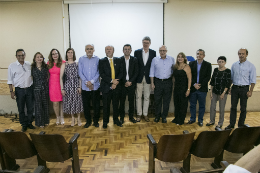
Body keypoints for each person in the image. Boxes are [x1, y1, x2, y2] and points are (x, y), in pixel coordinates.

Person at [225, 48, 256, 130]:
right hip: (235, 88)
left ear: (246, 54)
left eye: (243, 54)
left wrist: (251, 91)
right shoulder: (234, 65)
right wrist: (229, 88)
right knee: (233, 107)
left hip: (244, 89)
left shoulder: (251, 66)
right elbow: (231, 78)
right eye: (239, 53)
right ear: (238, 54)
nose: (241, 55)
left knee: (243, 108)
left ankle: (240, 125)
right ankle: (231, 125)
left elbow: (253, 80)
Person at [7, 49, 35, 132]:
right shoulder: (12, 66)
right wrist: (11, 91)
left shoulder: (29, 64)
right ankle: (23, 124)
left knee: (30, 108)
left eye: (22, 55)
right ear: (16, 56)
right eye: (19, 55)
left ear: (25, 55)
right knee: (21, 108)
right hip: (19, 90)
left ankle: (29, 123)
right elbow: (10, 80)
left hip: (29, 89)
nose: (21, 57)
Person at [99, 45, 123, 129]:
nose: (108, 50)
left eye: (110, 49)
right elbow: (102, 74)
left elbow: (121, 72)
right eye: (107, 49)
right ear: (105, 51)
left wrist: (115, 82)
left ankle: (116, 120)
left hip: (116, 87)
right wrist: (111, 81)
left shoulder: (118, 60)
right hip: (106, 87)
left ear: (113, 51)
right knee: (106, 105)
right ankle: (105, 121)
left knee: (116, 105)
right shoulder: (101, 61)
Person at [150, 45, 175, 123]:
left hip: (168, 82)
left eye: (164, 50)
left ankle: (164, 116)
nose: (162, 52)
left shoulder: (172, 59)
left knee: (166, 101)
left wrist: (173, 83)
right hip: (158, 82)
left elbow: (174, 72)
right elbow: (151, 72)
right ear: (159, 51)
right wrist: (152, 83)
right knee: (157, 100)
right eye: (161, 50)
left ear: (166, 51)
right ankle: (157, 116)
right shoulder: (155, 59)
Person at [135, 36, 156, 122]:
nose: (145, 44)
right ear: (142, 43)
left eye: (147, 43)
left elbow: (153, 66)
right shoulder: (137, 52)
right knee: (138, 96)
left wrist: (152, 81)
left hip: (148, 78)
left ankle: (145, 114)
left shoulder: (153, 53)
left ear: (149, 43)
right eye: (144, 43)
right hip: (139, 78)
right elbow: (135, 65)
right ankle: (139, 114)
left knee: (147, 97)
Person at [188, 49, 212, 127]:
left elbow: (207, 77)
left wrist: (200, 85)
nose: (199, 55)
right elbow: (190, 76)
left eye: (201, 54)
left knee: (202, 105)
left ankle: (200, 120)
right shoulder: (191, 64)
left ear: (204, 56)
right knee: (192, 105)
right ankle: (192, 119)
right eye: (198, 54)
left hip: (202, 89)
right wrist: (194, 84)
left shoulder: (208, 65)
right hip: (193, 88)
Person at [78, 44, 100, 128]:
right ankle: (88, 121)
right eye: (88, 49)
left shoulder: (97, 59)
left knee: (96, 106)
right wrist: (87, 82)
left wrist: (91, 82)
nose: (89, 50)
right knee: (86, 106)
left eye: (91, 49)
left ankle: (96, 121)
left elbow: (98, 72)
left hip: (95, 86)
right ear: (85, 50)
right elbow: (80, 72)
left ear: (94, 50)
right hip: (85, 87)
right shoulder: (81, 59)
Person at [60, 48, 83, 126]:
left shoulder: (77, 64)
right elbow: (60, 78)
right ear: (66, 54)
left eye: (71, 52)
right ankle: (73, 118)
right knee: (70, 103)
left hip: (76, 85)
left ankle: (79, 118)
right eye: (68, 52)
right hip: (68, 86)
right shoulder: (64, 64)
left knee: (78, 102)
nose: (70, 54)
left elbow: (80, 77)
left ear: (73, 54)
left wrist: (80, 87)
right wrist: (62, 88)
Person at [206, 56, 231, 129]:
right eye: (219, 61)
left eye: (222, 62)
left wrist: (223, 93)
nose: (221, 63)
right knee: (212, 107)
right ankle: (212, 121)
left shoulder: (228, 71)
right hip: (214, 92)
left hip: (223, 93)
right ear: (217, 62)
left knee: (221, 108)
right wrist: (211, 92)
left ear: (225, 62)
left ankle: (220, 123)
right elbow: (212, 81)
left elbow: (228, 83)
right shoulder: (215, 70)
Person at [119, 44, 138, 124]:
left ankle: (131, 117)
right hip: (122, 84)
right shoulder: (119, 59)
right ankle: (122, 118)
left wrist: (130, 82)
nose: (127, 50)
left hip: (131, 84)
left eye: (128, 49)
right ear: (123, 51)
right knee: (122, 102)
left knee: (131, 102)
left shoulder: (135, 59)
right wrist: (124, 82)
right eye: (125, 49)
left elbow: (136, 72)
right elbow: (119, 72)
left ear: (131, 50)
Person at [171, 52, 191, 125]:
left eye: (181, 57)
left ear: (184, 58)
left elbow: (189, 79)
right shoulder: (175, 67)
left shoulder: (187, 67)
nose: (180, 58)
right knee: (177, 104)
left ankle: (181, 120)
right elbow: (173, 78)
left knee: (183, 105)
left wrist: (188, 89)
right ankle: (176, 118)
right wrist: (173, 87)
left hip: (184, 88)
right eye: (179, 57)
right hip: (176, 88)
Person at [31, 52, 49, 128]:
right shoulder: (32, 68)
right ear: (35, 59)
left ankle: (46, 121)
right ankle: (39, 122)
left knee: (45, 105)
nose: (39, 58)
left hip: (45, 88)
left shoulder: (46, 67)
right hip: (36, 89)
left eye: (41, 57)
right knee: (38, 106)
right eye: (37, 57)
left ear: (43, 59)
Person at [48, 49, 66, 125]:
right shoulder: (49, 63)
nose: (55, 55)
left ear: (58, 54)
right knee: (55, 103)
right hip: (52, 85)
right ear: (51, 56)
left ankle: (62, 117)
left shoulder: (63, 62)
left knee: (61, 102)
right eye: (53, 54)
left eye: (56, 53)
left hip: (61, 84)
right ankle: (57, 117)